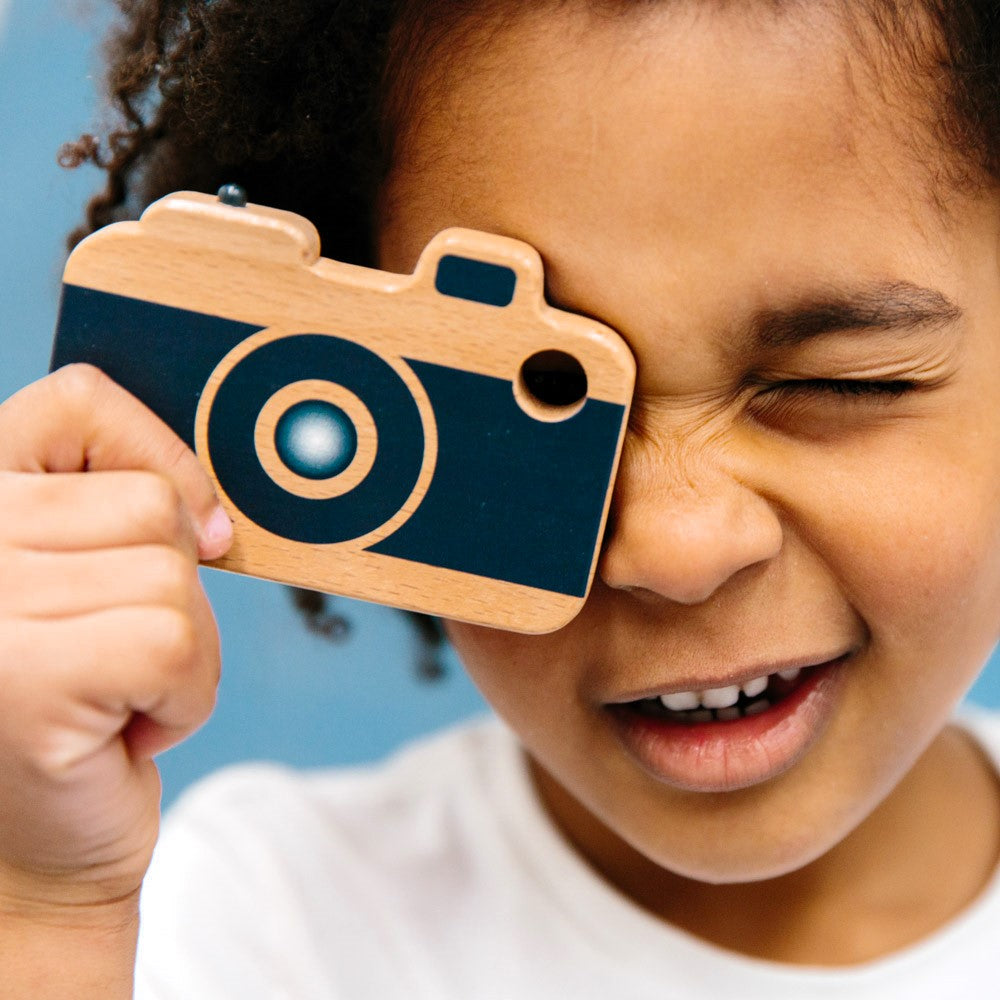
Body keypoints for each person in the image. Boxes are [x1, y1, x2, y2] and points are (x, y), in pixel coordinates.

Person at [3, 0, 1000, 996]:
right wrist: (44, 906)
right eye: (532, 402)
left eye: (841, 386)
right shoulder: (249, 922)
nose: (677, 548)